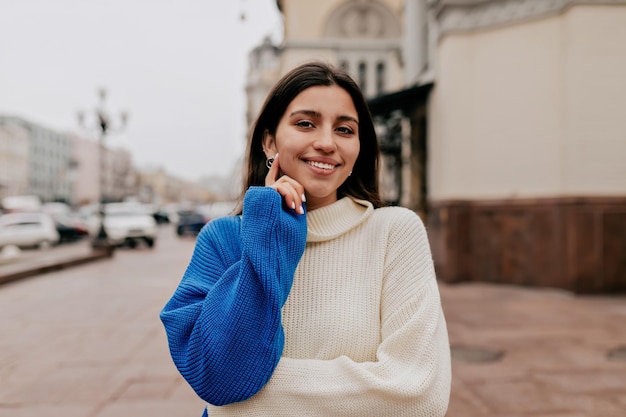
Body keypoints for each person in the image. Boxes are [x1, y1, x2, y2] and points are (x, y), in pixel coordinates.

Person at [160, 61, 451, 416]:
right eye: (305, 123)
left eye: (345, 129)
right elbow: (218, 376)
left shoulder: (394, 232)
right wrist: (268, 227)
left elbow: (417, 394)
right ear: (270, 142)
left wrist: (242, 405)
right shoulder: (224, 240)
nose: (327, 142)